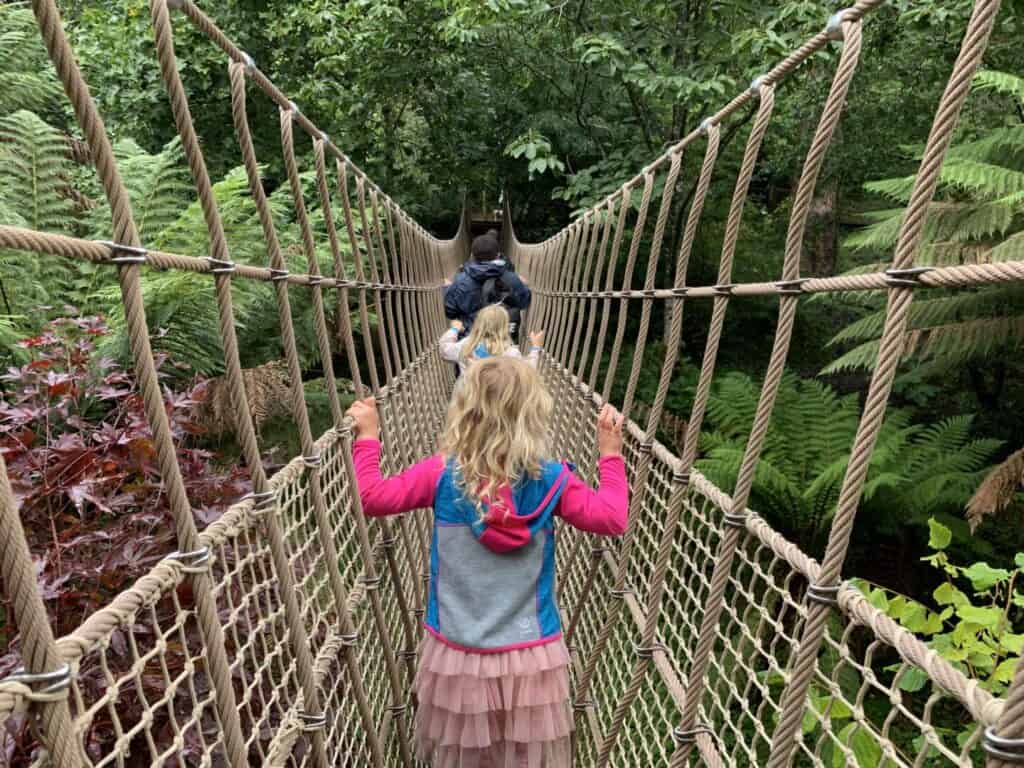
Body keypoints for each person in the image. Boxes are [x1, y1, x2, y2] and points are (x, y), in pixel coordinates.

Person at [347, 357, 628, 768]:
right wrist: (611, 456)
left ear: (465, 410)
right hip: (532, 650)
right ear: (534, 413)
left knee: (468, 755)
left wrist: (369, 438)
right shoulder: (554, 480)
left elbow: (372, 498)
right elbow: (612, 518)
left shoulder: (441, 475)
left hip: (458, 647)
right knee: (523, 755)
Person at [445, 234, 531, 339]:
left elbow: (450, 312)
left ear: (472, 256)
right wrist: (524, 285)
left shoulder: (460, 281)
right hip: (502, 344)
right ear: (498, 255)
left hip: (471, 343)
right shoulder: (511, 278)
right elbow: (524, 302)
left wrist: (447, 289)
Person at [439, 304, 544, 374]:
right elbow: (529, 372)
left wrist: (454, 330)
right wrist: (535, 348)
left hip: (468, 401)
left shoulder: (467, 345)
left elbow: (445, 350)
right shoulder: (510, 352)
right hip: (496, 404)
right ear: (504, 327)